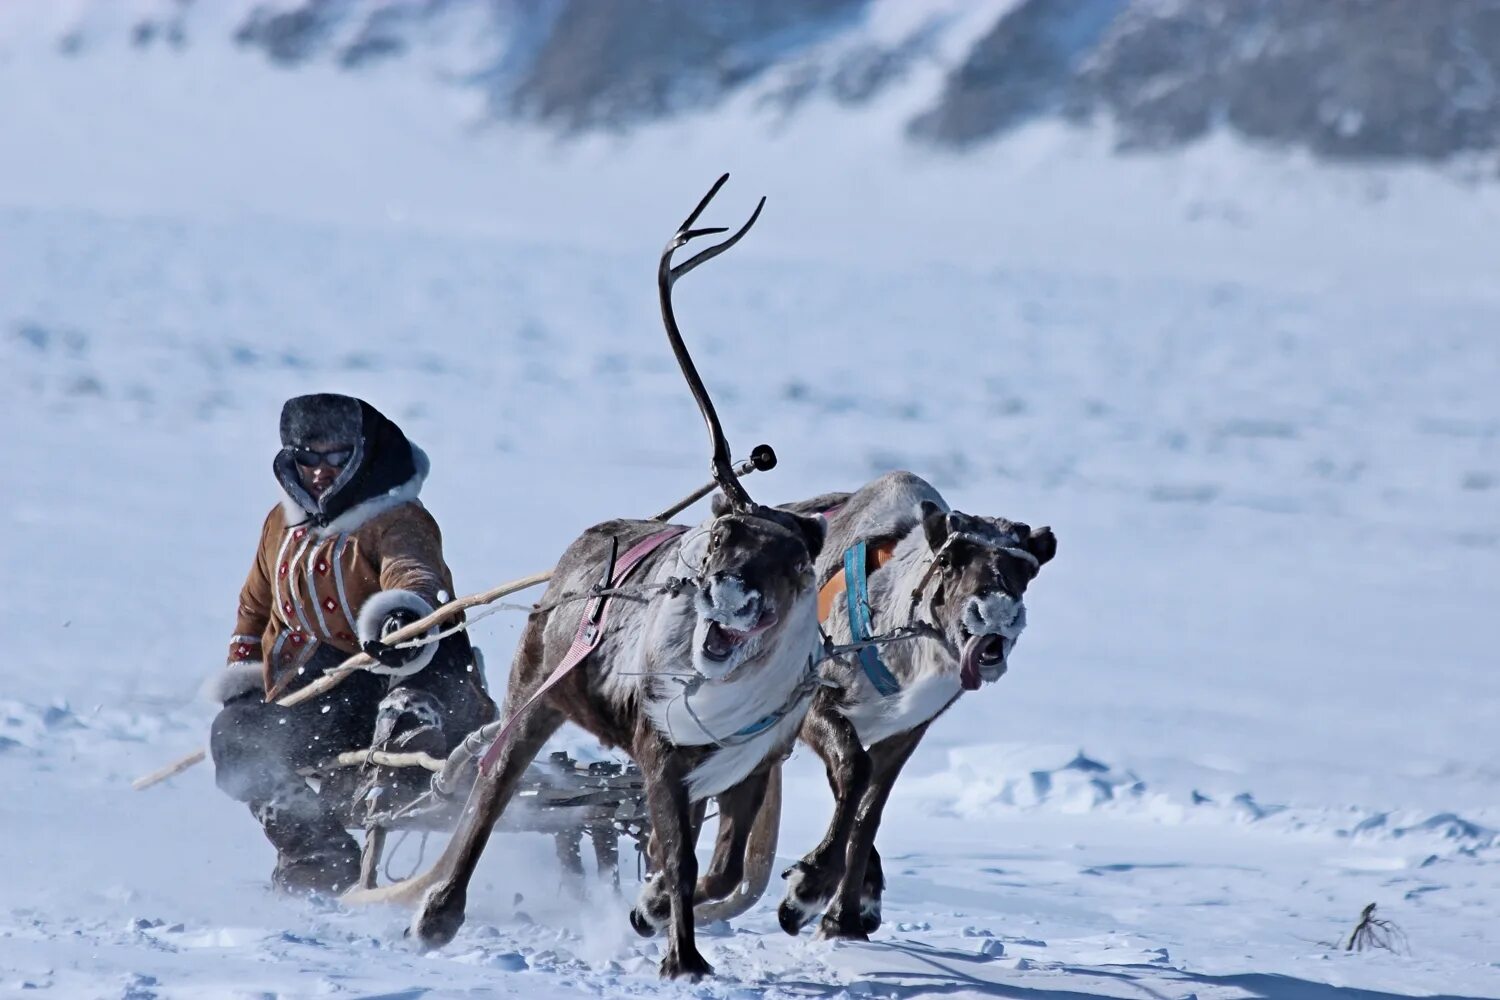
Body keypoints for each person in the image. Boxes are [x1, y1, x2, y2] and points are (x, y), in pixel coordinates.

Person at [206, 393, 495, 894]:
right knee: (236, 736)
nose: (320, 471)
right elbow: (255, 608)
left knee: (409, 698)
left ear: (362, 452)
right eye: (307, 458)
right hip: (324, 693)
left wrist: (403, 614)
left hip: (413, 675)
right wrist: (246, 680)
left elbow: (414, 570)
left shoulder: (396, 516)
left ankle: (409, 756)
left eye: (336, 456)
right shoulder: (282, 524)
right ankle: (317, 850)